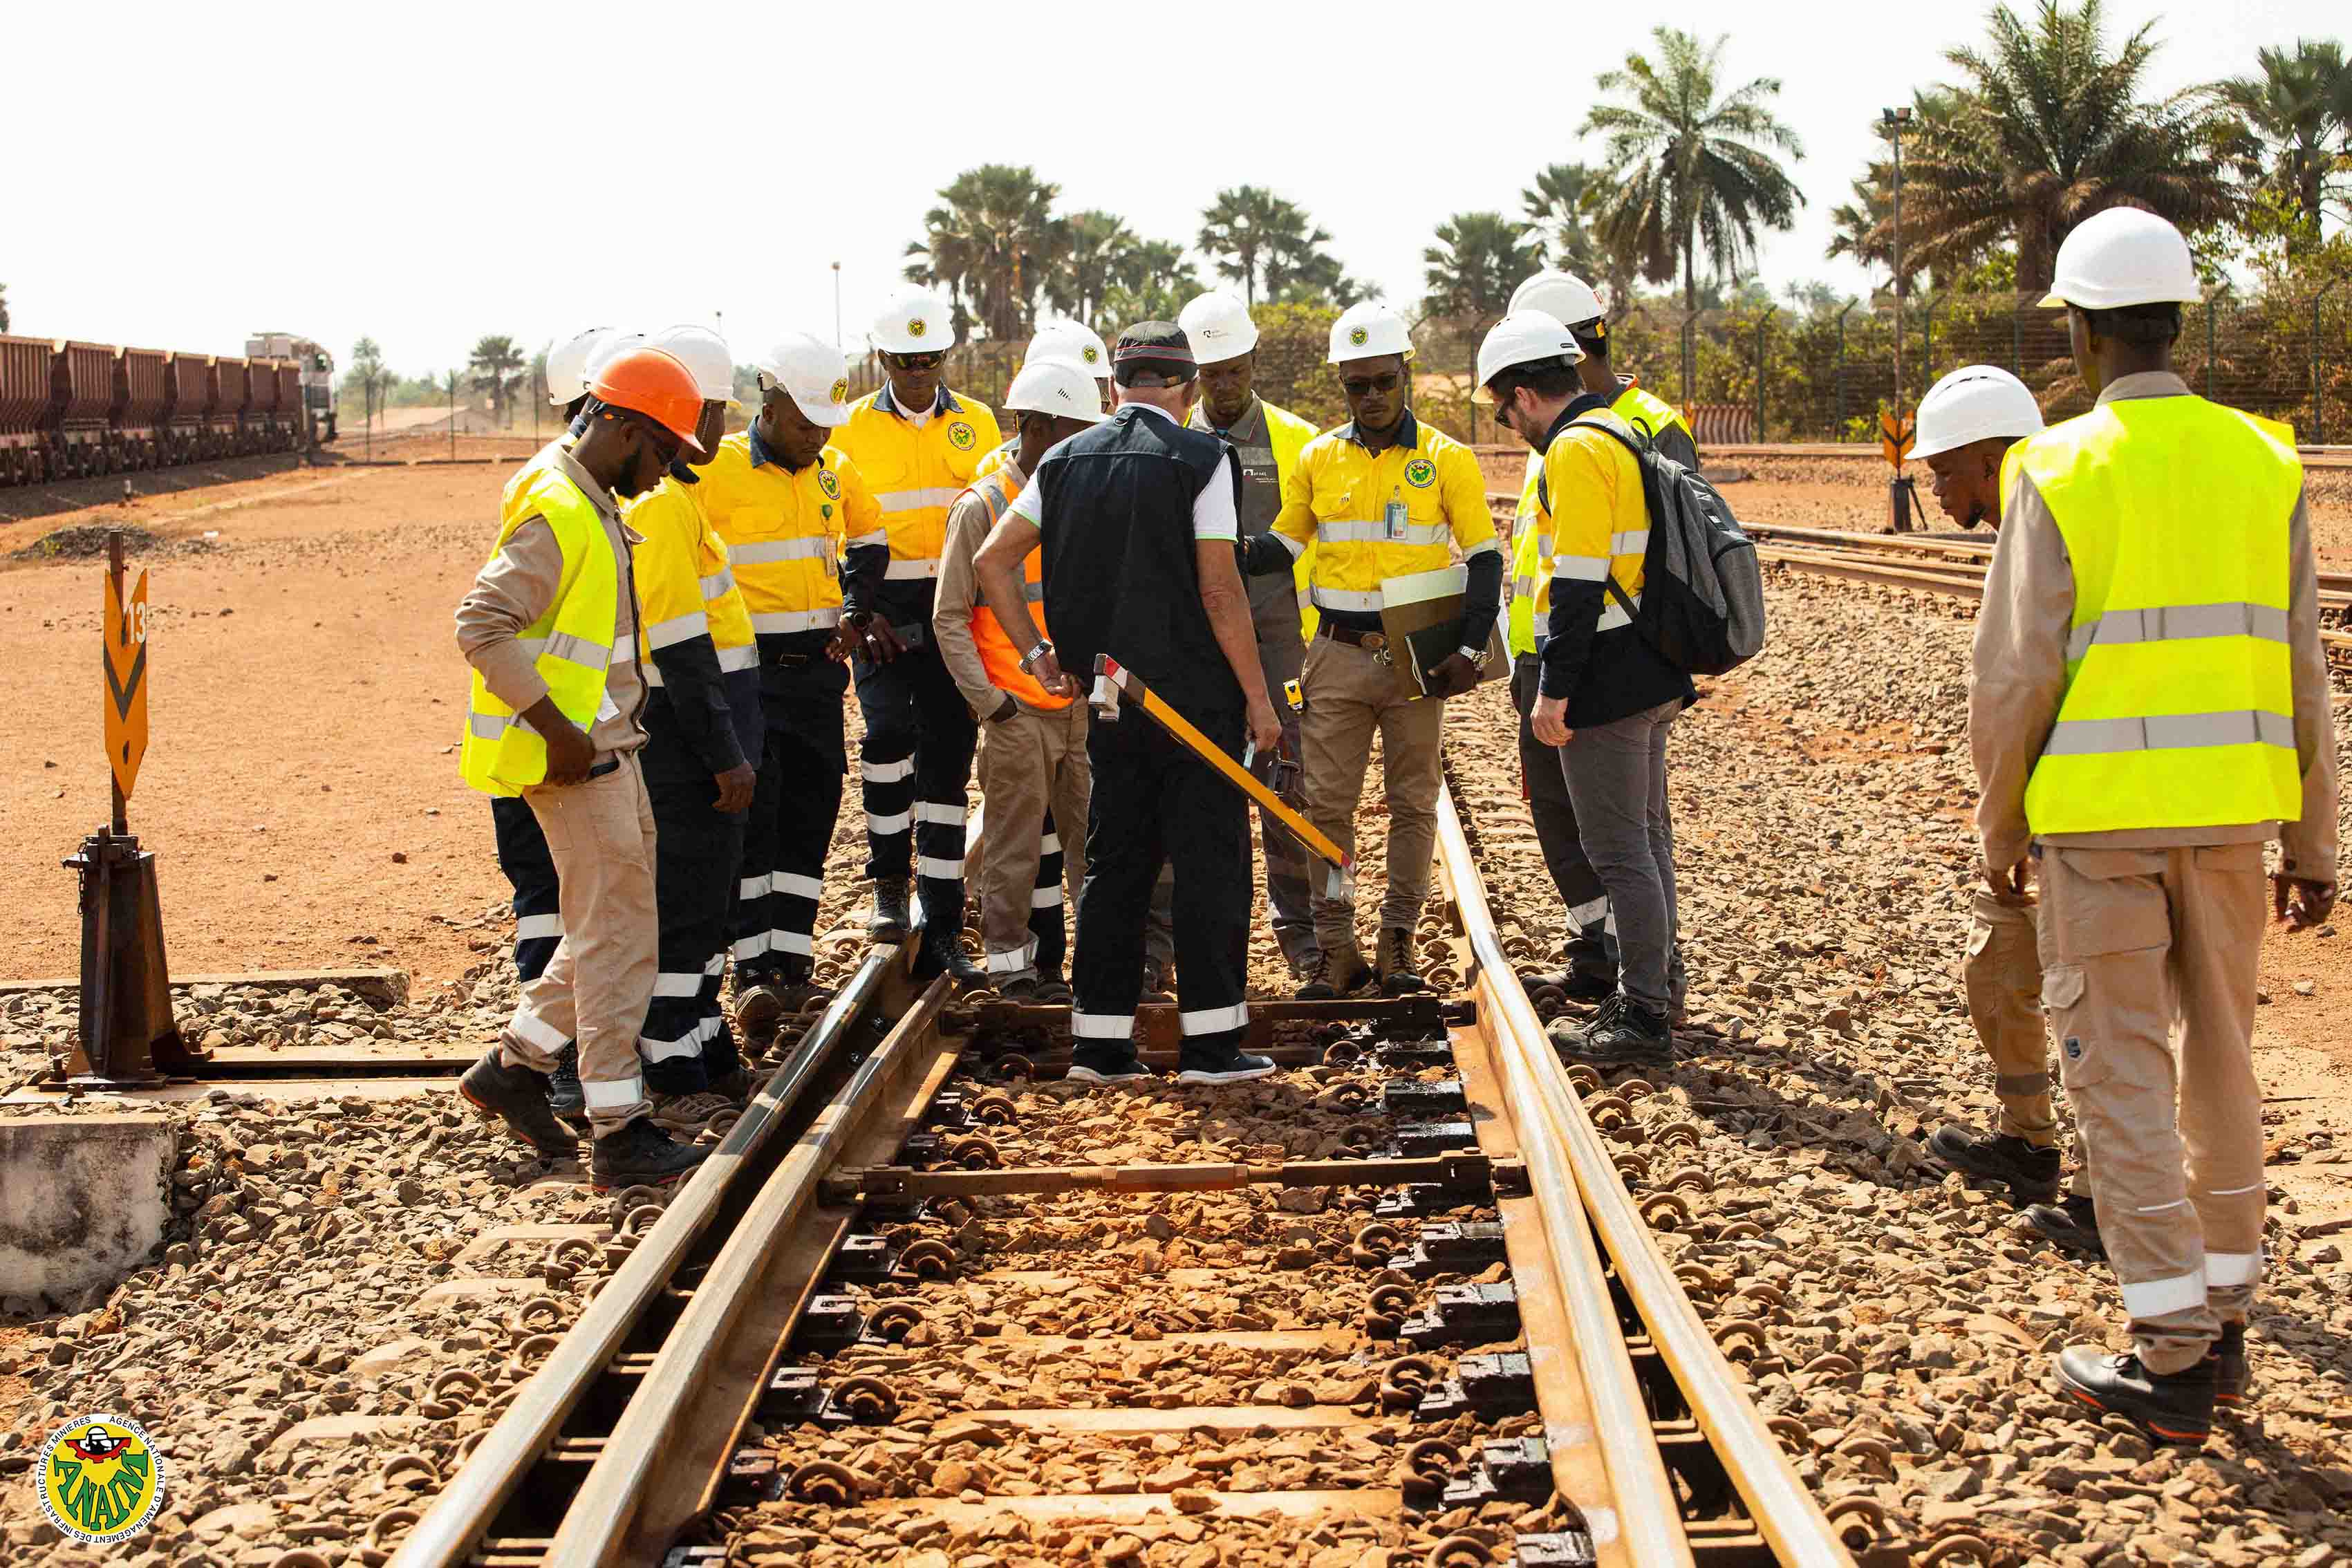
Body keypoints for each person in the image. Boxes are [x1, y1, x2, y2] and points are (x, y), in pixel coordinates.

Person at [1971, 207, 2338, 1446]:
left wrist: (1997, 826)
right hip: (2234, 821)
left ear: (2076, 330)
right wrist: (2315, 842)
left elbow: (2014, 677)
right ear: (2178, 321)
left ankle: (2171, 1356)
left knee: (2122, 1074)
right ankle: (2222, 1322)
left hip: (2098, 832)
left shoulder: (2059, 467)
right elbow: (2304, 673)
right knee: (2224, 1058)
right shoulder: (2262, 458)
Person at [975, 321, 1283, 1085]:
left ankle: (1100, 1049)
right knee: (1210, 864)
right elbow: (1220, 587)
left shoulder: (1064, 461)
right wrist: (1258, 697)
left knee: (1116, 866)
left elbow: (993, 561)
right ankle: (1212, 1049)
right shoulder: (1202, 458)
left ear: (1115, 389)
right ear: (1183, 390)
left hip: (1109, 702)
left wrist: (1039, 656)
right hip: (1195, 707)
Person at [453, 346, 714, 1190]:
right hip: (571, 758)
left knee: (614, 926)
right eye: (666, 452)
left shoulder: (589, 503)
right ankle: (619, 1130)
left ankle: (515, 1068)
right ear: (625, 429)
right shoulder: (561, 512)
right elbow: (481, 625)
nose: (668, 470)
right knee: (616, 939)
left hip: (607, 746)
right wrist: (558, 730)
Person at [1241, 301, 1501, 999]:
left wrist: (1472, 649)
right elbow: (1283, 546)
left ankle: (1397, 945)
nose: (1372, 397)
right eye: (1357, 386)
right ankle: (1337, 950)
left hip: (1417, 660)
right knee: (1327, 806)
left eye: (1383, 382)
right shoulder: (1319, 459)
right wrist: (1219, 552)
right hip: (1334, 653)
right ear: (1342, 387)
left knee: (1414, 801)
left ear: (1404, 376)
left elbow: (1483, 557)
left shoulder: (1447, 459)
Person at [1482, 310, 1696, 1069]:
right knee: (1648, 840)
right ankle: (1655, 985)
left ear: (1523, 395)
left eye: (1505, 414)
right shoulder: (1620, 432)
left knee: (1617, 851)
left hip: (1604, 675)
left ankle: (1642, 1013)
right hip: (1648, 664)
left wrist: (1553, 693)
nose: (1512, 429)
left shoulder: (1573, 450)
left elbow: (1575, 583)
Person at [1905, 366, 2084, 1210]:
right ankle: (2028, 1143)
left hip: (2077, 801)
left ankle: (2096, 1183)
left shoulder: (2041, 518)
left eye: (1942, 472)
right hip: (2076, 790)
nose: (1936, 492)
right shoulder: (2055, 505)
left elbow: (2012, 688)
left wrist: (2002, 831)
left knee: (2088, 1003)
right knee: (1999, 970)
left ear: (1988, 459)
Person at [694, 333, 873, 1029]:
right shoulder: (717, 471)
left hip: (817, 677)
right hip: (747, 674)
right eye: (805, 425)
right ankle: (752, 967)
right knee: (754, 818)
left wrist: (858, 606)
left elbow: (870, 538)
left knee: (810, 811)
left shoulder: (836, 469)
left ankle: (791, 963)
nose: (816, 439)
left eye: (826, 427)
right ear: (768, 408)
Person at [835, 288, 1003, 982]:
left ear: (946, 356)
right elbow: (830, 528)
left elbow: (998, 518)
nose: (916, 372)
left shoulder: (979, 423)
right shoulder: (846, 429)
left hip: (955, 606)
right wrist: (856, 609)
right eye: (904, 360)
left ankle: (939, 913)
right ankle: (886, 889)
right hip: (879, 609)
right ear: (882, 359)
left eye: (929, 359)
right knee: (884, 741)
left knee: (946, 760)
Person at [619, 325, 762, 1131]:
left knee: (710, 901)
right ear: (693, 415)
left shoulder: (681, 501)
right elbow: (679, 646)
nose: (720, 434)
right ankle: (672, 1053)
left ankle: (703, 1039)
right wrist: (724, 753)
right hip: (687, 739)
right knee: (687, 900)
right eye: (715, 417)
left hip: (706, 732)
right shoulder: (666, 507)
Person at [932, 360, 1105, 999]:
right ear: (1029, 426)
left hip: (1081, 708)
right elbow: (949, 619)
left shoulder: (1082, 497)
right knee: (1013, 850)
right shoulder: (981, 507)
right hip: (1017, 714)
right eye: (1067, 433)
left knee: (1097, 844)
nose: (1081, 447)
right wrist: (991, 705)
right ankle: (1012, 971)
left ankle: (1102, 965)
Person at [1179, 289, 1325, 980]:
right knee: (1195, 782)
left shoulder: (1295, 440)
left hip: (1276, 636)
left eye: (1235, 370)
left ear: (1253, 360)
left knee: (1285, 778)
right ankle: (1199, 927)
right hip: (1195, 638)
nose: (1225, 386)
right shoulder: (1173, 437)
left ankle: (1298, 926)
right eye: (1212, 375)